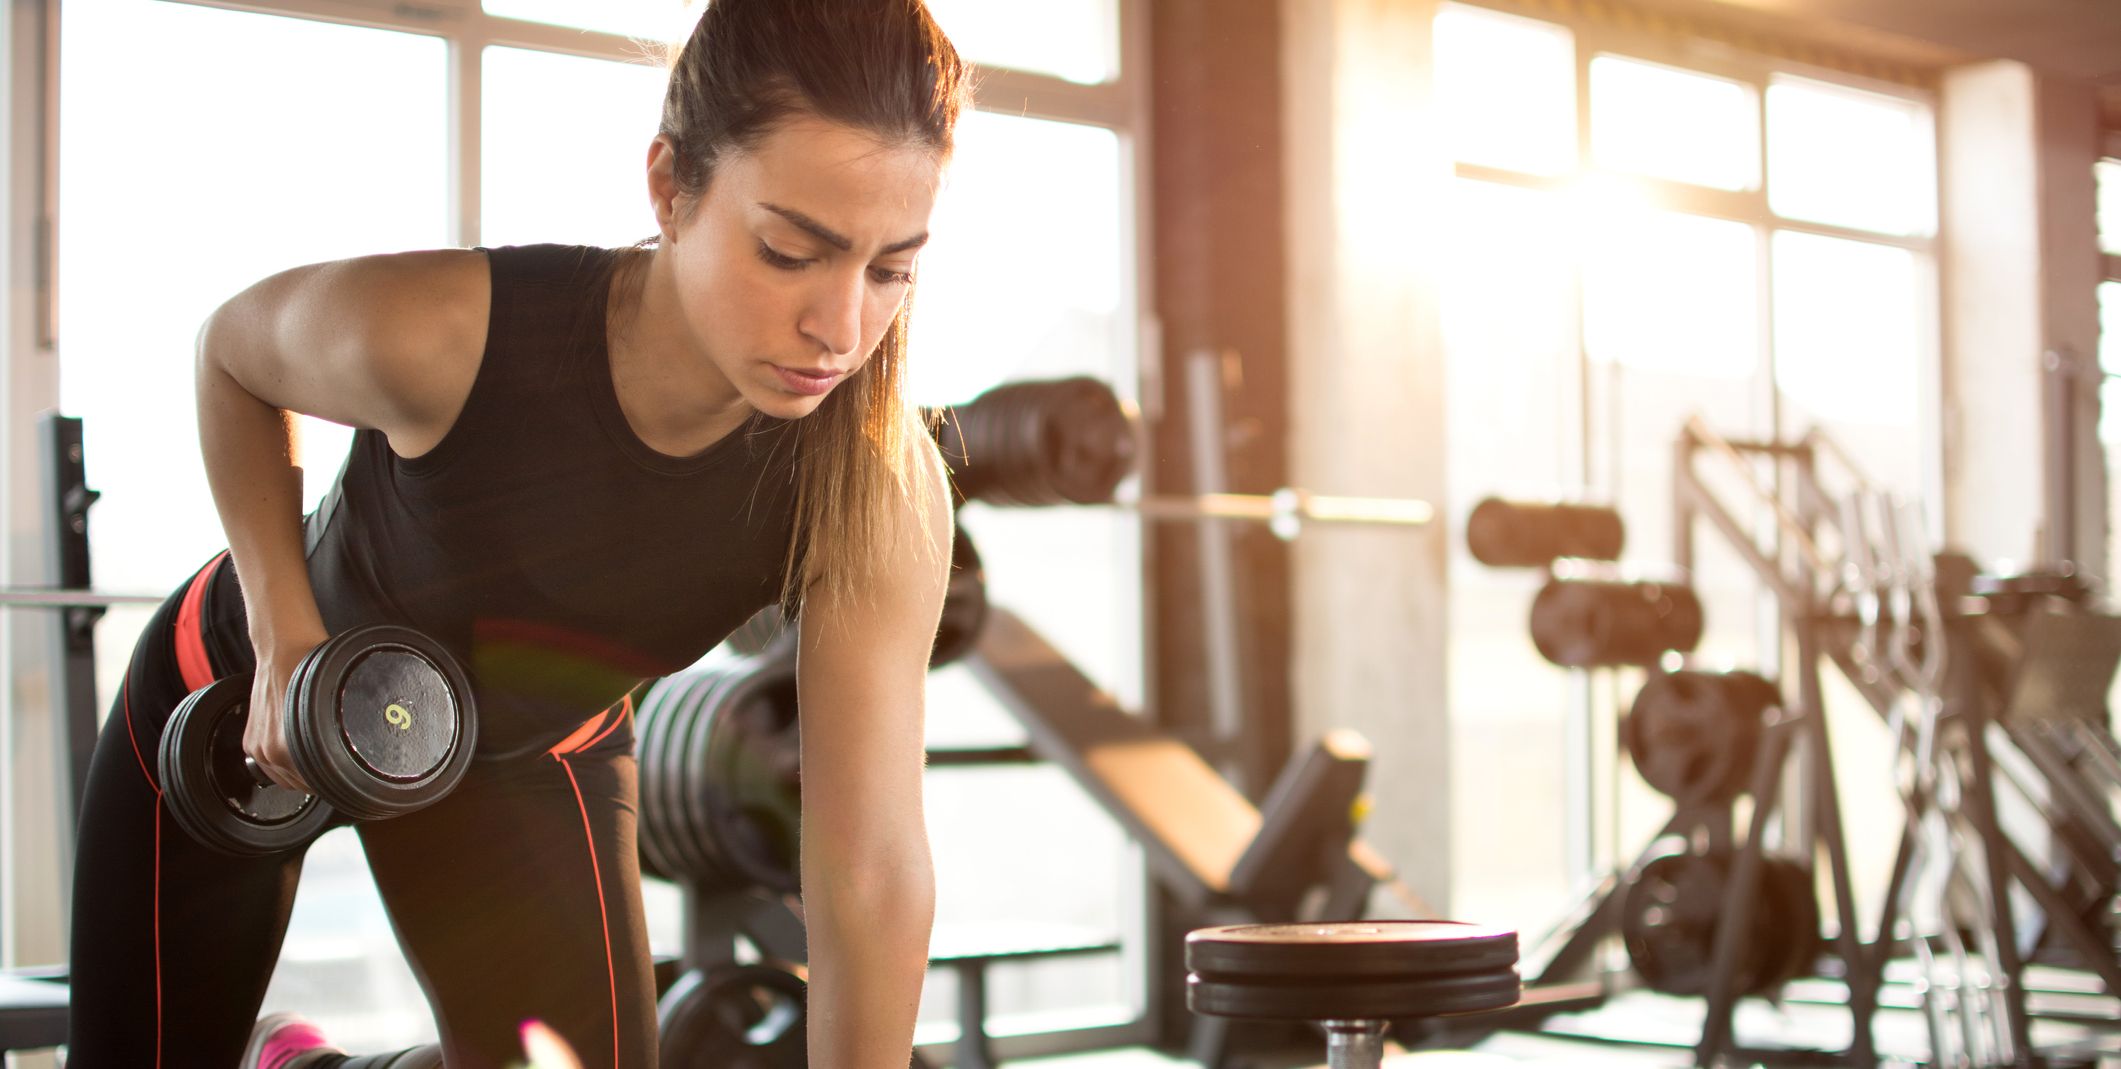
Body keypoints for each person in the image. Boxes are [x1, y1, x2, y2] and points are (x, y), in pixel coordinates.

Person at [65, 0, 968, 1065]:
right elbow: (231, 355)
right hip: (245, 697)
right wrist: (282, 637)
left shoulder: (875, 483)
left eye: (889, 269)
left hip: (520, 753)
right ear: (672, 187)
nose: (842, 328)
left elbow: (869, 867)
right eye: (789, 252)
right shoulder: (451, 333)